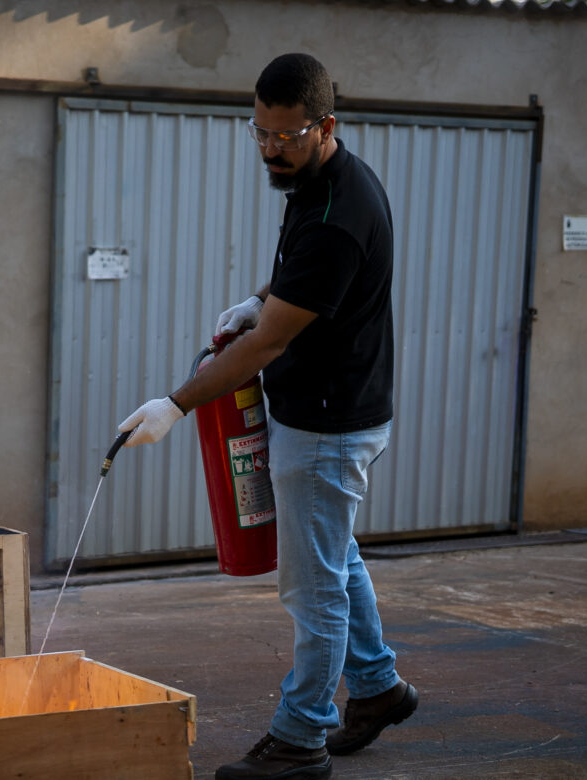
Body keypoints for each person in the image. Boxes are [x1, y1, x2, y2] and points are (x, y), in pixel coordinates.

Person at [118, 53, 416, 780]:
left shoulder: (337, 215)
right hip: (338, 410)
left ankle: (300, 734)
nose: (271, 149)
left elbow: (270, 342)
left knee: (310, 587)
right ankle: (377, 689)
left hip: (325, 426)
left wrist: (177, 403)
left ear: (326, 126)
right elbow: (290, 289)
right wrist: (261, 296)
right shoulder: (320, 180)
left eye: (287, 136)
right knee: (334, 559)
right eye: (260, 133)